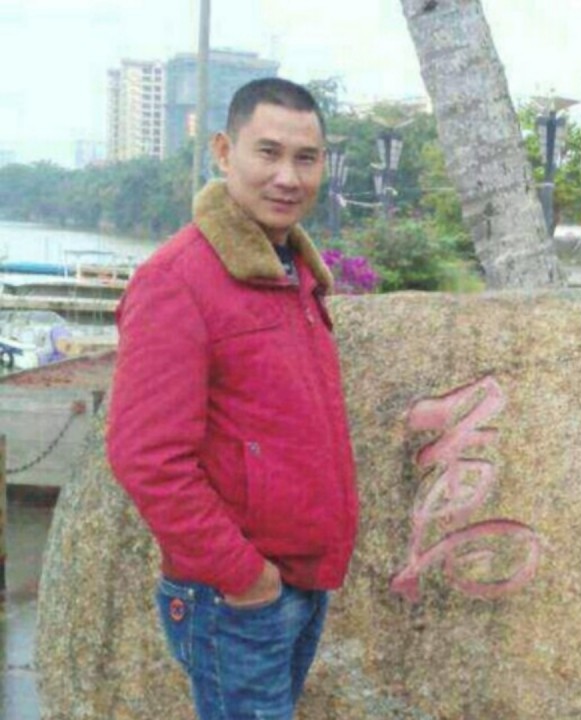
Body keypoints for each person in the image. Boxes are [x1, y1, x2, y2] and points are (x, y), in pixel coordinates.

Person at [106, 78, 359, 720]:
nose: (287, 177)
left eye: (306, 158)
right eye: (267, 152)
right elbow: (146, 457)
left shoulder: (291, 271)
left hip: (296, 582)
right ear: (224, 152)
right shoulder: (178, 281)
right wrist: (245, 575)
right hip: (235, 595)